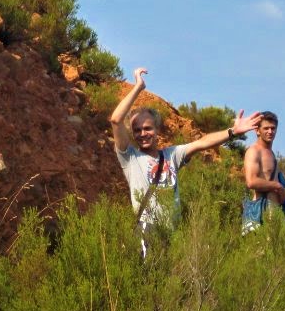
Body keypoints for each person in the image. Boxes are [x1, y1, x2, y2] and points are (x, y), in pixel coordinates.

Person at [110, 67, 262, 256]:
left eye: (147, 128)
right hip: (146, 230)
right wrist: (138, 87)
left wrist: (232, 132)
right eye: (137, 130)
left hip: (171, 234)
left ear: (157, 129)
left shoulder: (171, 155)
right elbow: (116, 120)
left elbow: (202, 143)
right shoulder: (130, 157)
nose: (143, 134)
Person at [243, 111, 285, 223]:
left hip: (274, 214)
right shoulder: (253, 151)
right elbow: (251, 182)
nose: (270, 131)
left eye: (273, 128)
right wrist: (277, 185)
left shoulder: (271, 153)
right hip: (259, 214)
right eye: (266, 128)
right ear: (257, 130)